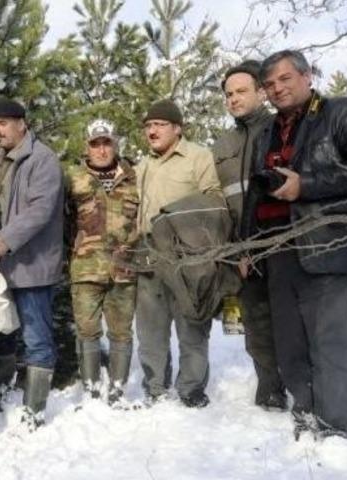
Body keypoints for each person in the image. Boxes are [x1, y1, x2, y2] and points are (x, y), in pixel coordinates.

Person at [241, 50, 347, 439]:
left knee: (329, 339)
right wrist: (246, 246)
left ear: (307, 76)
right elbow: (254, 196)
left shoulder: (343, 112)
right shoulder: (266, 132)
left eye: (285, 79)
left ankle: (339, 425)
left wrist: (306, 185)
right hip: (276, 250)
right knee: (290, 340)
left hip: (326, 245)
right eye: (270, 84)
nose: (277, 89)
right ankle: (306, 410)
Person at [0, 99, 64, 429]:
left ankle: (34, 410)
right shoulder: (0, 162)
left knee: (37, 338)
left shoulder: (43, 159)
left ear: (22, 123)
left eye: (3, 123)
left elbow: (39, 211)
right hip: (4, 267)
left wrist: (3, 241)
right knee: (2, 334)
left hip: (34, 265)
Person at [135, 99, 223, 408]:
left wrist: (180, 223)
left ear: (177, 128)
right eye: (148, 126)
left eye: (159, 125)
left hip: (187, 255)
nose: (152, 131)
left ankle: (191, 389)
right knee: (150, 329)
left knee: (192, 325)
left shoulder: (198, 157)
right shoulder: (143, 165)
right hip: (148, 253)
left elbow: (214, 199)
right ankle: (155, 388)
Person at [212, 60, 287, 411]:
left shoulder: (281, 129)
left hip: (281, 242)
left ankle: (303, 385)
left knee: (290, 320)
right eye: (228, 94)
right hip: (240, 249)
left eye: (241, 91)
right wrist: (231, 250)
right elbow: (218, 201)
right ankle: (270, 388)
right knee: (252, 322)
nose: (233, 99)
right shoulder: (222, 142)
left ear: (261, 92)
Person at [64, 119, 139, 405]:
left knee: (121, 331)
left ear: (115, 143)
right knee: (87, 330)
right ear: (87, 147)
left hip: (124, 268)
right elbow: (61, 219)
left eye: (107, 142)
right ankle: (91, 387)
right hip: (85, 268)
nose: (102, 149)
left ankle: (118, 388)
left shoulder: (134, 176)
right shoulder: (73, 178)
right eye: (96, 144)